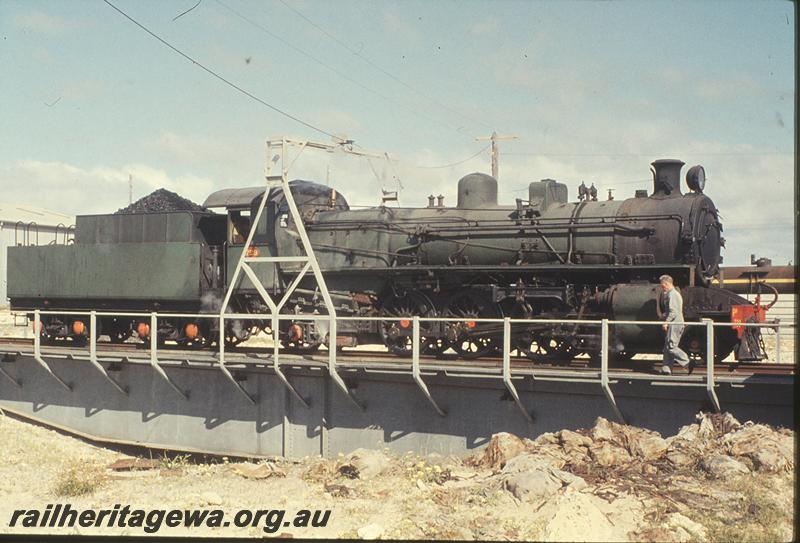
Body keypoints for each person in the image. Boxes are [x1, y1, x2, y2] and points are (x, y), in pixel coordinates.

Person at [659, 274, 693, 375]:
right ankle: (666, 369)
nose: (662, 287)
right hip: (676, 323)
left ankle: (688, 362)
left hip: (675, 324)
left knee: (671, 347)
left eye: (663, 285)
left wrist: (666, 322)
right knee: (667, 347)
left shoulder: (672, 294)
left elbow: (673, 311)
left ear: (667, 283)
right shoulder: (673, 294)